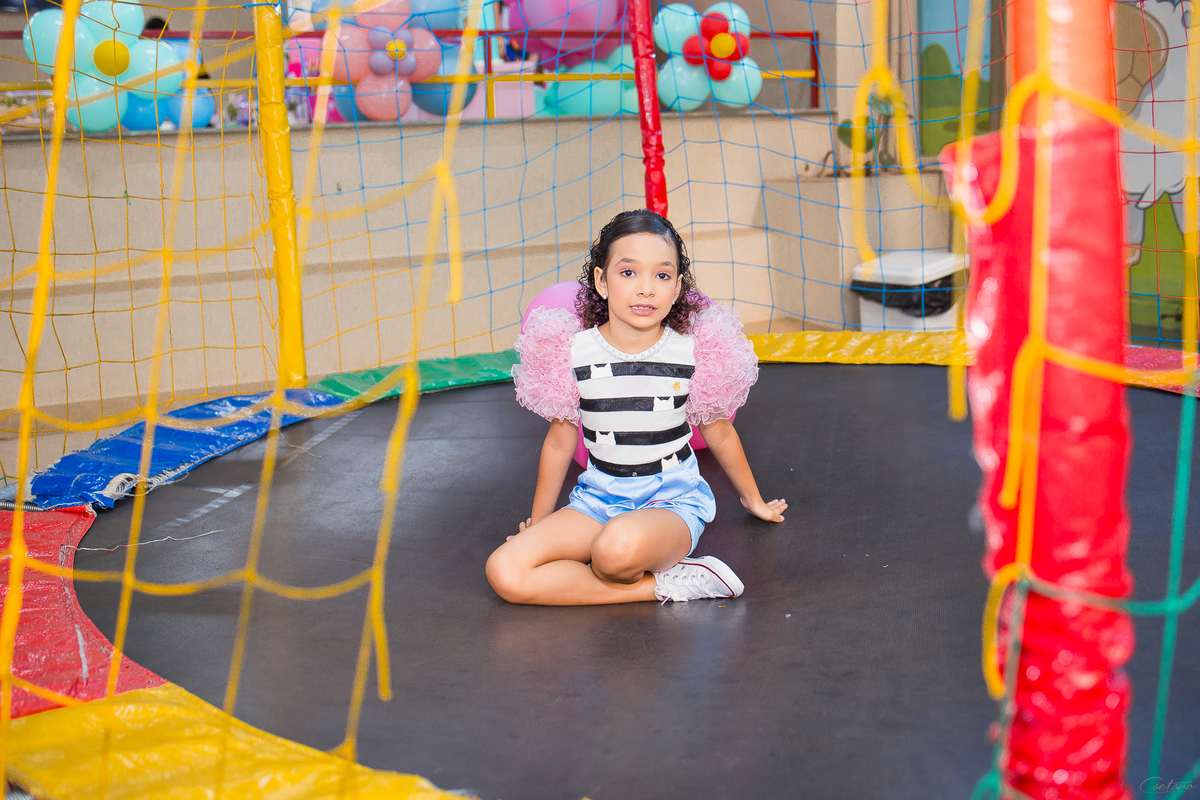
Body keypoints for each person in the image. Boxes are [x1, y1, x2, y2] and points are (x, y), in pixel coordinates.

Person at [486, 209, 786, 606]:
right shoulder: (571, 352)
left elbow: (720, 432)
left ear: (677, 288)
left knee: (614, 550)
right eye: (628, 272)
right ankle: (667, 584)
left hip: (670, 503)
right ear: (601, 281)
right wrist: (539, 523)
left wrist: (753, 500)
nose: (646, 289)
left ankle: (631, 561)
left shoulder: (694, 352)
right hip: (597, 503)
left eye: (661, 275)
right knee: (505, 570)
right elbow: (559, 443)